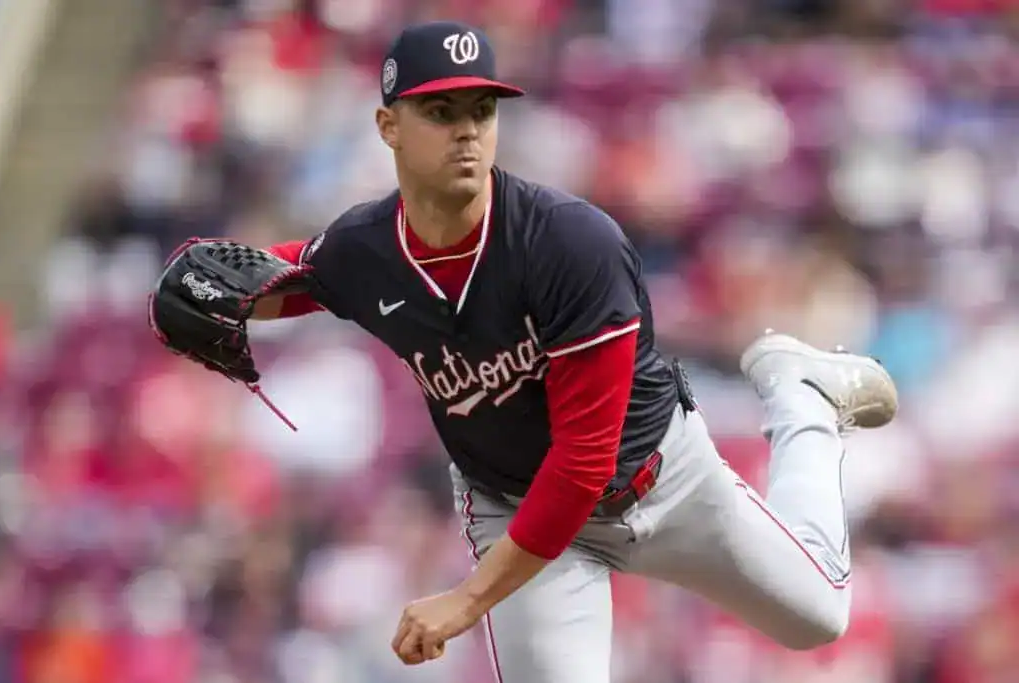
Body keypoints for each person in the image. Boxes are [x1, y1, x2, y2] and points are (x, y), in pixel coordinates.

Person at [252, 20, 899, 683]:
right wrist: (188, 287)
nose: (467, 130)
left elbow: (584, 461)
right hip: (514, 504)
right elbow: (258, 281)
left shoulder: (570, 241)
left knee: (818, 617)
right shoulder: (367, 248)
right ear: (389, 126)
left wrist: (467, 600)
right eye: (439, 111)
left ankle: (803, 398)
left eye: (481, 109)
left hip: (662, 477)